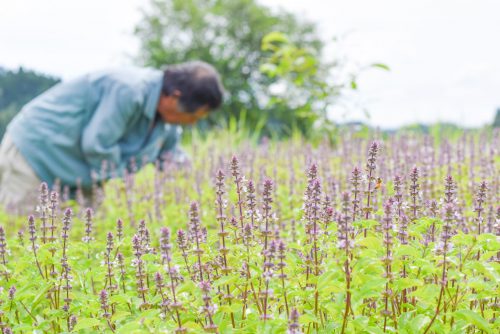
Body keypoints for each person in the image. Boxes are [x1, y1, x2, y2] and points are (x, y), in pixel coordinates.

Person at [0, 61, 224, 213]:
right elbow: (98, 145)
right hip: (34, 153)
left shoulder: (166, 121)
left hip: (76, 170)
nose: (192, 123)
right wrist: (122, 183)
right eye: (194, 116)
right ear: (174, 98)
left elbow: (171, 156)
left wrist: (207, 185)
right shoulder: (129, 90)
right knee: (22, 237)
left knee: (81, 241)